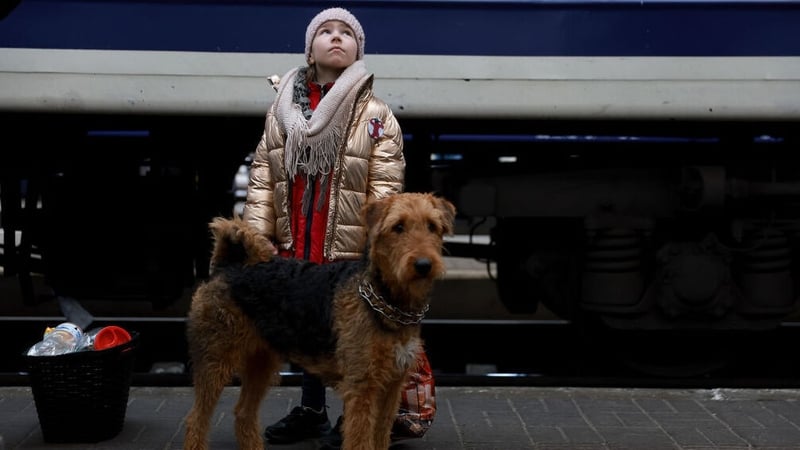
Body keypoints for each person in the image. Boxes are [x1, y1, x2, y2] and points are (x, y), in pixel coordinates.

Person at [241, 6, 433, 448]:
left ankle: (353, 419)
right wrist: (257, 234)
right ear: (310, 48)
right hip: (297, 234)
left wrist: (375, 246)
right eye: (325, 32)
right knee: (308, 326)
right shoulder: (283, 109)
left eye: (346, 33)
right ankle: (311, 411)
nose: (335, 38)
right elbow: (262, 175)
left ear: (358, 50)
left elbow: (385, 190)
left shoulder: (377, 115)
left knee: (347, 337)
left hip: (347, 242)